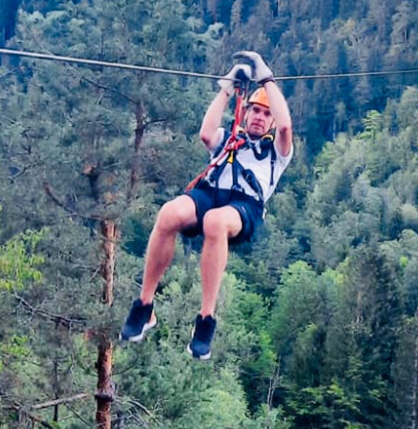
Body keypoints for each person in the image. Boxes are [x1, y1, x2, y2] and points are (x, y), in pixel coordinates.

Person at [119, 50, 294, 359]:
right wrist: (227, 88)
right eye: (254, 110)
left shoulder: (276, 153)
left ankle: (206, 319)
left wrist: (267, 79)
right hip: (210, 192)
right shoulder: (228, 138)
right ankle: (144, 305)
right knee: (169, 213)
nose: (259, 116)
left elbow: (285, 127)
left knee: (215, 222)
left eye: (265, 114)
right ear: (246, 112)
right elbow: (205, 133)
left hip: (243, 207)